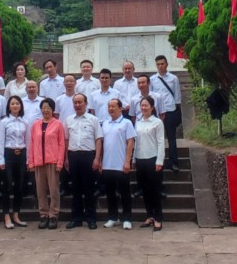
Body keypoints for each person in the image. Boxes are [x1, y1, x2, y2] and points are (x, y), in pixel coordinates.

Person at [27, 97, 66, 229]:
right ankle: (43, 214)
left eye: (48, 108)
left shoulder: (58, 124)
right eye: (43, 108)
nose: (45, 110)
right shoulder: (36, 124)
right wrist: (31, 162)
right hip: (38, 161)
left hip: (53, 161)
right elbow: (32, 143)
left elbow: (61, 144)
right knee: (40, 190)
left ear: (53, 109)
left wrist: (60, 161)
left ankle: (53, 215)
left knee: (54, 189)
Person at [64, 93, 102, 229]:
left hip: (88, 156)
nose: (78, 105)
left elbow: (98, 139)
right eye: (75, 102)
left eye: (80, 102)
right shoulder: (69, 120)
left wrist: (97, 158)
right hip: (73, 156)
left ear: (86, 104)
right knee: (76, 189)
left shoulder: (93, 119)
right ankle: (76, 218)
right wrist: (66, 158)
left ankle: (91, 218)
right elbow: (66, 140)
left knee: (89, 189)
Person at [100, 98, 136, 229]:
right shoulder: (105, 123)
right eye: (109, 106)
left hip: (121, 164)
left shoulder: (126, 123)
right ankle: (113, 217)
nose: (111, 109)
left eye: (113, 106)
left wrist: (128, 161)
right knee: (110, 193)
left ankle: (127, 218)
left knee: (124, 193)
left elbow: (130, 143)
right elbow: (102, 143)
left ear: (120, 108)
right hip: (107, 164)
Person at [133, 95, 165, 231]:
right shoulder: (138, 122)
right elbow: (135, 142)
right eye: (142, 105)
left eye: (146, 105)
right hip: (140, 159)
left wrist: (160, 160)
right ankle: (149, 215)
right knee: (145, 190)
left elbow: (161, 142)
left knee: (154, 190)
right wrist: (134, 159)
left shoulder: (157, 122)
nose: (143, 108)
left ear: (152, 107)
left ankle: (158, 218)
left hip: (153, 159)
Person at [0, 95, 29, 229]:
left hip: (21, 154)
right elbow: (1, 141)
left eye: (17, 103)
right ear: (9, 106)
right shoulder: (4, 122)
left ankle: (16, 214)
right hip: (9, 154)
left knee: (20, 186)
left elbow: (27, 141)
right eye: (13, 104)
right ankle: (6, 215)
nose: (15, 106)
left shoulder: (25, 122)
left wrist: (28, 159)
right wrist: (1, 159)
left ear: (21, 106)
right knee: (7, 185)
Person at [150, 55, 183, 171]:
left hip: (170, 110)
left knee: (171, 137)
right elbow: (151, 96)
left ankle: (173, 162)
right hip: (157, 112)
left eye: (162, 64)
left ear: (166, 64)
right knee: (155, 138)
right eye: (158, 64)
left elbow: (177, 95)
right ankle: (156, 161)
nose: (160, 66)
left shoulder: (173, 78)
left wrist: (177, 109)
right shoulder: (153, 79)